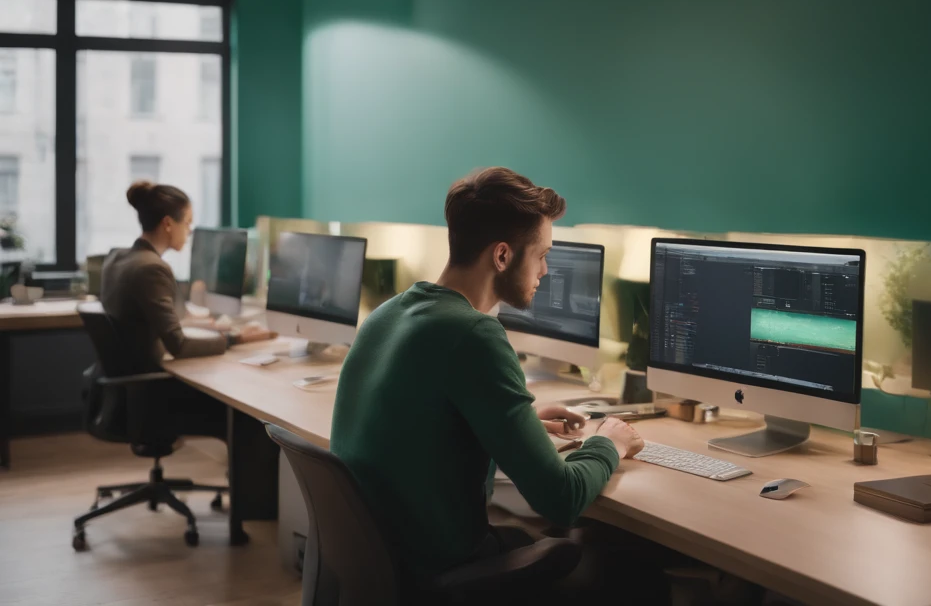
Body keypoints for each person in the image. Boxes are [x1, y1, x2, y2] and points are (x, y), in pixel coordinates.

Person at [332, 167, 647, 586]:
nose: (546, 271)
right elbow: (561, 499)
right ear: (501, 256)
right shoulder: (474, 333)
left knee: (522, 537)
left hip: (379, 565)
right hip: (435, 574)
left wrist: (515, 426)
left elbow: (419, 423)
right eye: (541, 255)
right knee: (635, 578)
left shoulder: (389, 313)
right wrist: (609, 443)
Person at [96, 181, 270, 438]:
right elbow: (179, 345)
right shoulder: (152, 268)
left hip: (126, 391)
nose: (189, 232)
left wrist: (212, 327)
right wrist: (236, 338)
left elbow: (157, 323)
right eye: (187, 223)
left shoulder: (117, 258)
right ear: (168, 224)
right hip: (152, 396)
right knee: (249, 414)